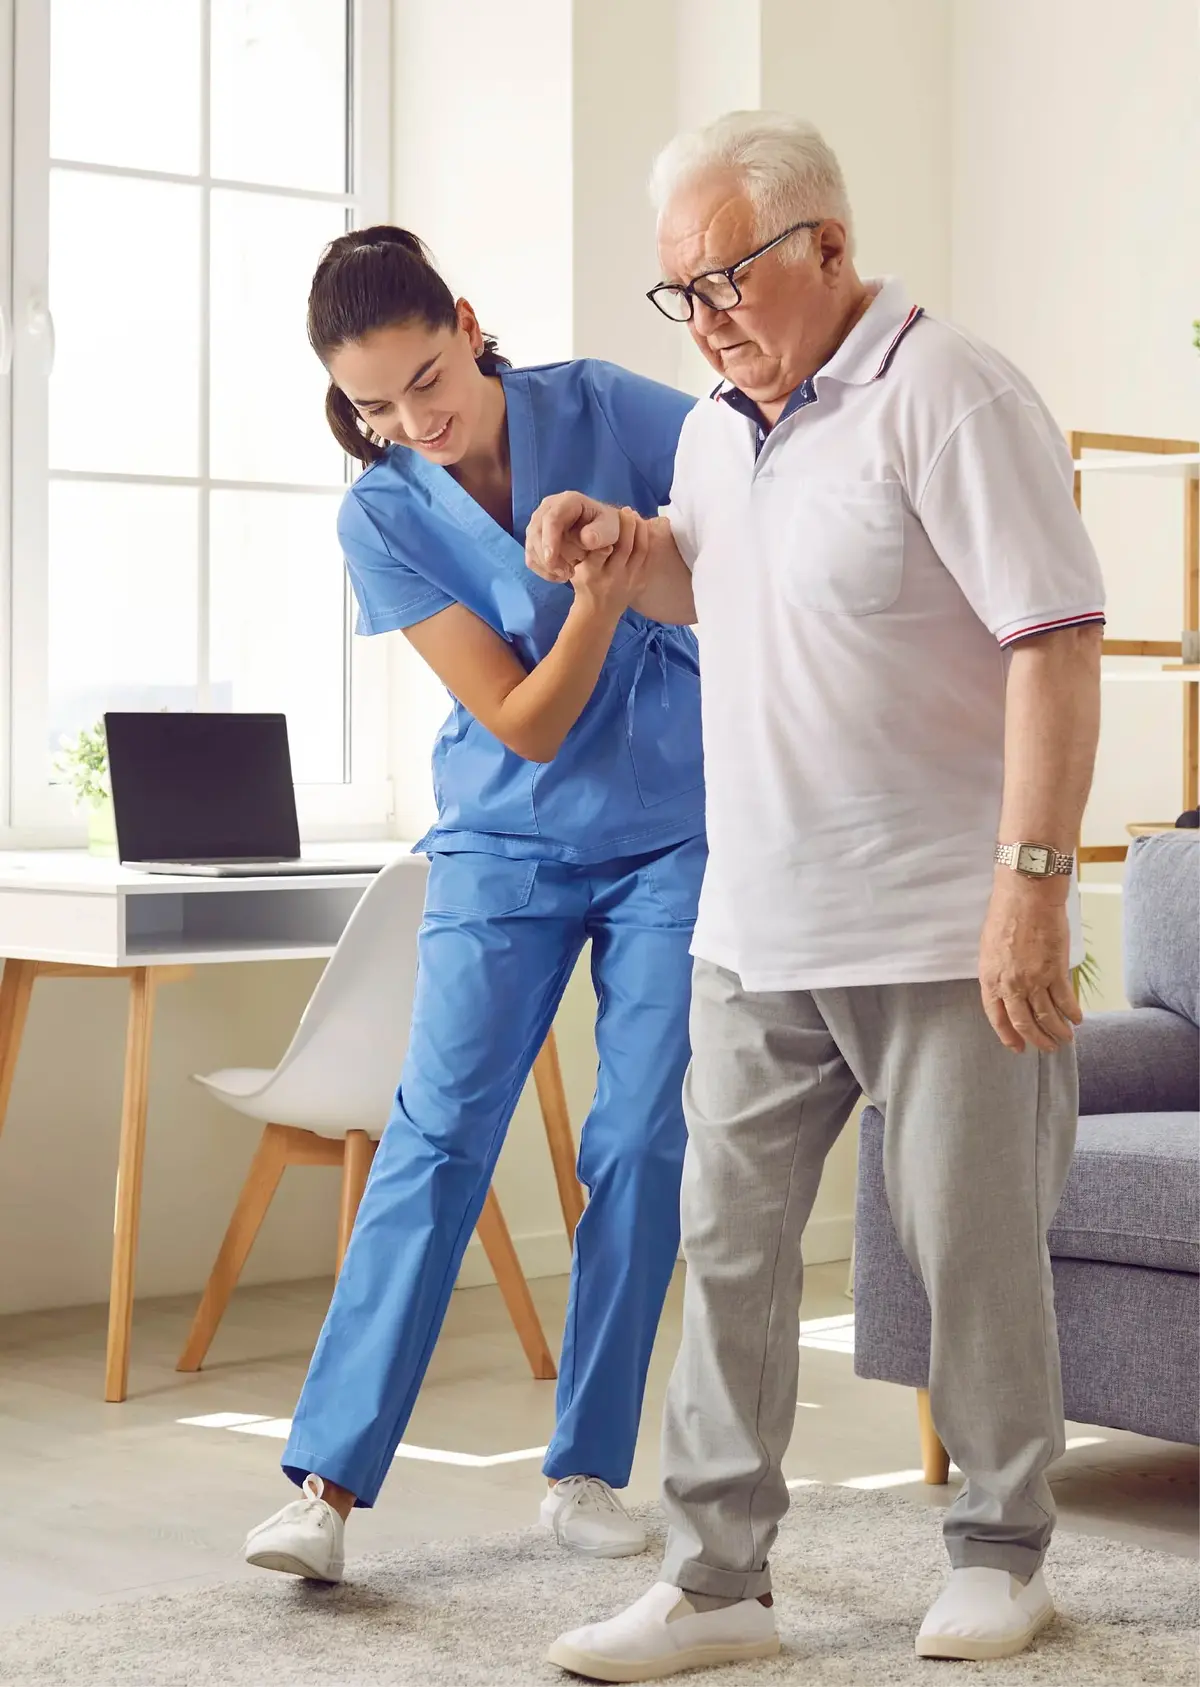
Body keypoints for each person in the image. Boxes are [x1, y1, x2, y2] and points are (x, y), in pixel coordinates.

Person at [529, 113, 1105, 1680]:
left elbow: (1053, 641)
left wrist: (1032, 890)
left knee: (968, 1247)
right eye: (680, 291)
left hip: (940, 918)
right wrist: (624, 549)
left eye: (727, 277)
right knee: (726, 1247)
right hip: (759, 920)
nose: (704, 315)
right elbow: (724, 585)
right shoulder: (718, 429)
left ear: (828, 249)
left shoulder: (951, 391)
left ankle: (1003, 1548)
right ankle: (717, 1581)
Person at [243, 226, 706, 1581]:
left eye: (428, 378)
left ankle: (585, 1471)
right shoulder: (382, 510)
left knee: (636, 1140)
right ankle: (324, 1489)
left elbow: (760, 475)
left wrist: (645, 552)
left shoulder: (611, 406)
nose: (414, 421)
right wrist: (603, 605)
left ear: (467, 318)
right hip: (505, 839)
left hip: (676, 831)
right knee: (438, 1136)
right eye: (376, 404)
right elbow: (522, 718)